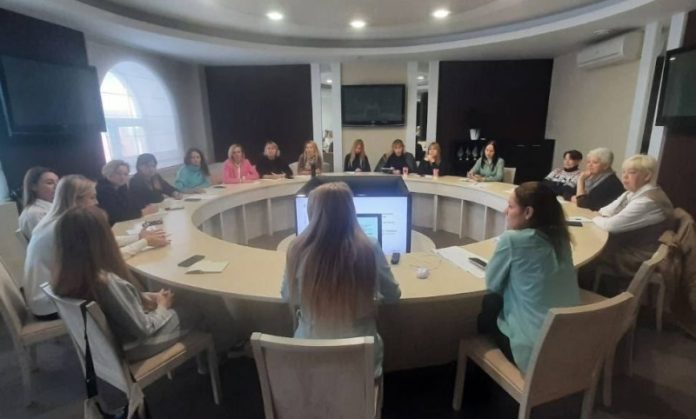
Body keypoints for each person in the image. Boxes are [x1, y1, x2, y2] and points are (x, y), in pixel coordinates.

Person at [281, 182, 401, 377]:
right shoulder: (369, 247)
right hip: (360, 364)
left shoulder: (296, 249)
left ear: (313, 213)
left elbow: (287, 296)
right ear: (351, 210)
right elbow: (393, 296)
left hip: (309, 360)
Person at [51, 206, 199, 361]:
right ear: (102, 238)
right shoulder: (107, 282)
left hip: (107, 346)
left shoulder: (69, 275)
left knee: (182, 301)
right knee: (198, 306)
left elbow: (114, 304)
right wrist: (162, 306)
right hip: (136, 345)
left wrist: (144, 296)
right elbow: (145, 328)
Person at [24, 175, 169, 319]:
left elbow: (102, 243)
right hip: (54, 305)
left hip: (48, 296)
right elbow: (105, 260)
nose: (97, 202)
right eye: (92, 197)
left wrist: (139, 238)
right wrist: (144, 242)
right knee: (119, 284)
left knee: (125, 286)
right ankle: (152, 318)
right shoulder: (65, 227)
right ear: (76, 200)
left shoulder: (57, 219)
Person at [478, 182, 580, 372]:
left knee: (489, 303)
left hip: (535, 352)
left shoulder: (512, 240)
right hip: (570, 342)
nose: (504, 211)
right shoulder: (562, 237)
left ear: (528, 212)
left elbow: (492, 284)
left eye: (510, 206)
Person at [591, 154, 674, 279]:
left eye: (631, 172)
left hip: (637, 255)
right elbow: (604, 211)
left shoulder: (648, 201)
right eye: (623, 172)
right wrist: (600, 217)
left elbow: (610, 226)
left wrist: (594, 219)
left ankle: (589, 287)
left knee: (590, 252)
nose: (624, 176)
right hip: (628, 245)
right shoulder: (632, 193)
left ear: (647, 176)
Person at [97, 160, 157, 225]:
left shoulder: (122, 186)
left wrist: (144, 207)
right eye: (118, 173)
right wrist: (141, 213)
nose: (122, 177)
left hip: (124, 223)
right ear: (109, 173)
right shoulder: (103, 190)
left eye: (125, 174)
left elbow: (130, 204)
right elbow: (116, 215)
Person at [18, 167, 59, 240]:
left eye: (58, 183)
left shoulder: (53, 208)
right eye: (50, 183)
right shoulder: (35, 214)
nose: (57, 187)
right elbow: (51, 242)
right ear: (33, 187)